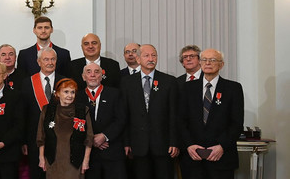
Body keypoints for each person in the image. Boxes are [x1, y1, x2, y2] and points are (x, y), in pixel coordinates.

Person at [178, 49, 244, 179]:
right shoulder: (187, 88)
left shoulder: (233, 88)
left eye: (213, 60)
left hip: (221, 157)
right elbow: (180, 121)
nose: (208, 63)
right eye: (204, 60)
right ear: (200, 63)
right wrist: (189, 145)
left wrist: (222, 146)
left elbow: (236, 123)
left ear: (221, 64)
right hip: (193, 157)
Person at [120, 44, 179, 179]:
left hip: (163, 146)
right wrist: (126, 142)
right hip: (138, 146)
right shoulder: (126, 82)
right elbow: (124, 115)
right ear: (139, 59)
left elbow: (174, 115)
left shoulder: (169, 81)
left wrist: (174, 142)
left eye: (154, 55)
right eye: (146, 55)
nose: (151, 58)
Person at [21, 47, 65, 179]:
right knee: (37, 173)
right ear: (39, 62)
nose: (50, 62)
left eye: (53, 59)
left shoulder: (65, 82)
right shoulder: (27, 83)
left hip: (60, 139)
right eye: (46, 59)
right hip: (34, 139)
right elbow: (23, 115)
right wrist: (23, 141)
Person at [76, 63, 127, 179]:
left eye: (96, 72)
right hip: (88, 155)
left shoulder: (115, 94)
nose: (93, 75)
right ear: (83, 77)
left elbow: (121, 119)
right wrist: (91, 139)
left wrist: (104, 136)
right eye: (88, 72)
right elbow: (76, 123)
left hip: (112, 151)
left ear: (102, 75)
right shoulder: (77, 97)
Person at [37, 78, 94, 179]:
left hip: (75, 161)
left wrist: (86, 160)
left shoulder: (82, 110)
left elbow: (89, 138)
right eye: (66, 92)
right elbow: (41, 136)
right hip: (53, 160)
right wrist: (41, 158)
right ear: (57, 93)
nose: (70, 95)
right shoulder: (47, 110)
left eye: (72, 92)